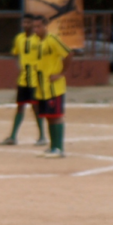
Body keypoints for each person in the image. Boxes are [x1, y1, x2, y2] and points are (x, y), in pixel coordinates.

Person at [0, 13, 47, 146]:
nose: (26, 25)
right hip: (23, 79)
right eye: (24, 23)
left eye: (29, 23)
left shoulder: (38, 39)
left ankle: (42, 136)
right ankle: (13, 136)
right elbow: (15, 54)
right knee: (20, 107)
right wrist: (19, 67)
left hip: (35, 79)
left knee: (36, 107)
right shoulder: (19, 38)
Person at [33, 15, 72, 158]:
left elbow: (68, 54)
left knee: (56, 116)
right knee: (49, 116)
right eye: (34, 27)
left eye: (38, 26)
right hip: (43, 87)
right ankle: (52, 146)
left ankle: (59, 148)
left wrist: (61, 73)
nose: (36, 29)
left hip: (54, 87)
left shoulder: (53, 40)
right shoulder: (38, 42)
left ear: (45, 26)